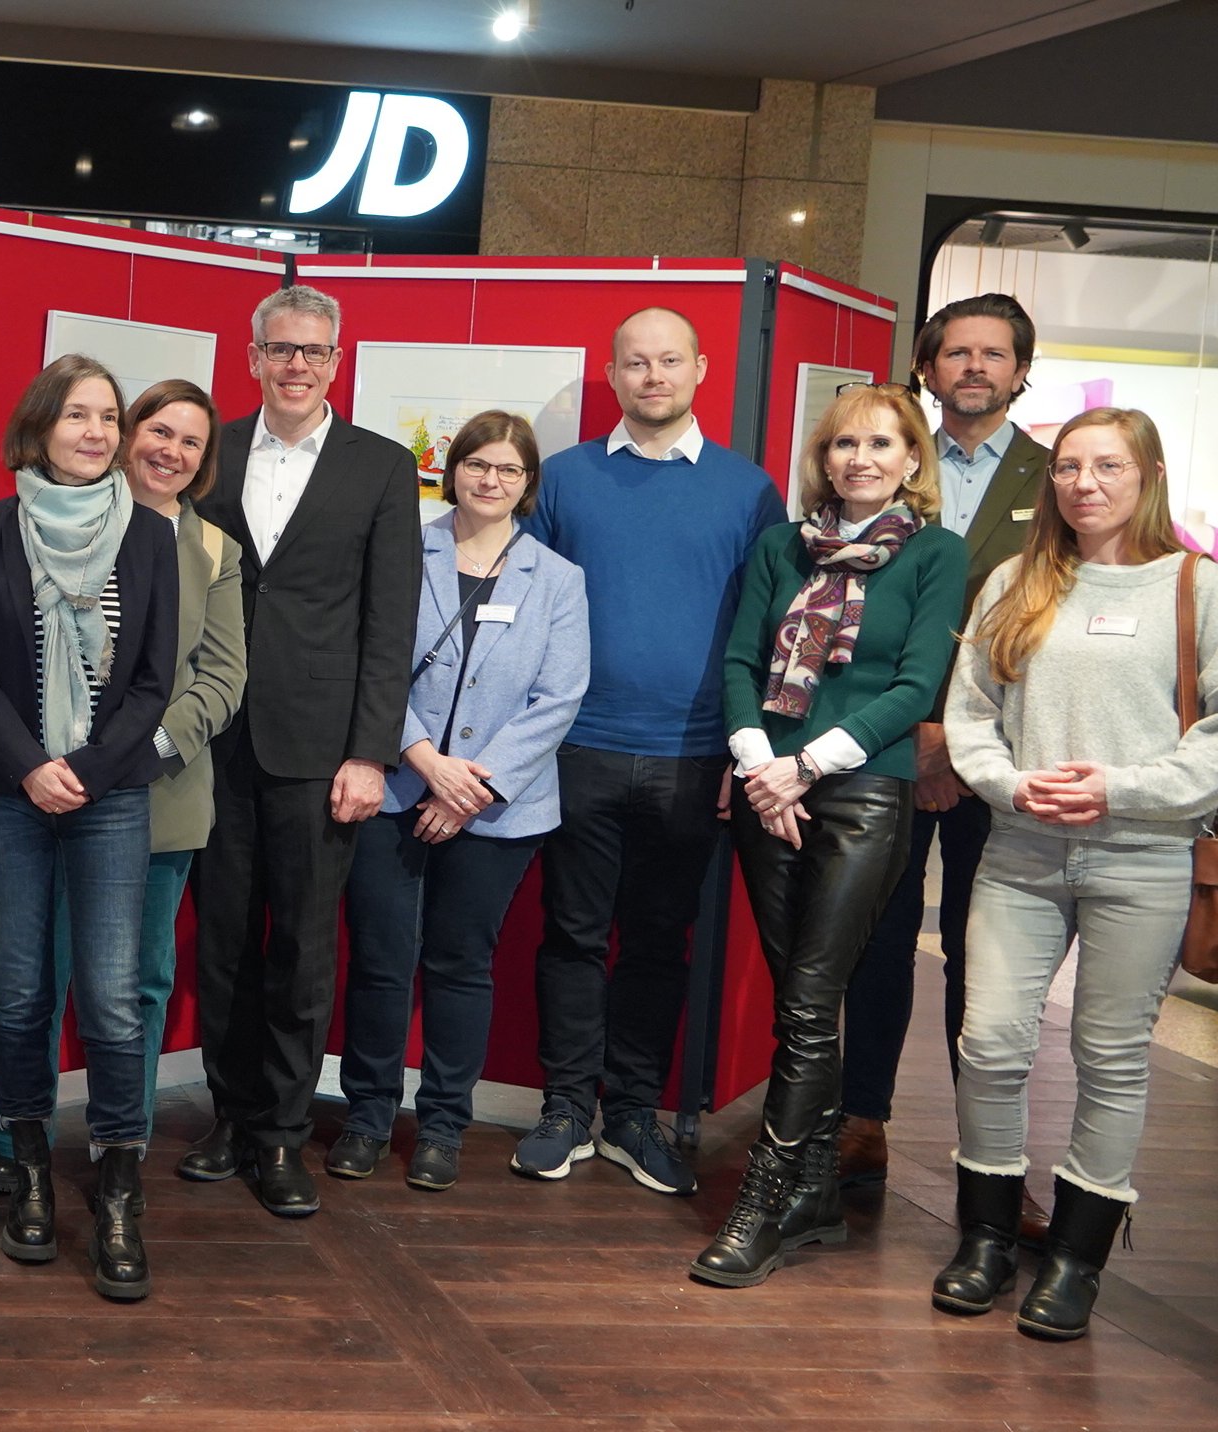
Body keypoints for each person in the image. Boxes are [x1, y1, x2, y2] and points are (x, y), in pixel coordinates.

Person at [936, 407, 1218, 1340]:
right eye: (1070, 467)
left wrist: (1123, 788)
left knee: (1111, 1058)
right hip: (1022, 850)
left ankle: (1078, 1259)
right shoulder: (1019, 578)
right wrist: (1009, 782)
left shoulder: (1200, 588)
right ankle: (987, 1239)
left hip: (1146, 854)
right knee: (992, 1043)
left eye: (1107, 466)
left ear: (1148, 473)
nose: (1085, 483)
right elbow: (971, 711)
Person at [690, 386, 969, 1286]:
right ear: (825, 455)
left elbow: (918, 684)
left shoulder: (934, 554)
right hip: (768, 787)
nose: (860, 457)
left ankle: (763, 1200)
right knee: (795, 1001)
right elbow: (741, 659)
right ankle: (814, 1194)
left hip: (863, 792)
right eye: (845, 442)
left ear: (911, 459)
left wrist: (804, 766)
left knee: (813, 1000)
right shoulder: (782, 545)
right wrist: (756, 762)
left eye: (881, 443)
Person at [513, 306, 784, 1196]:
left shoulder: (749, 492)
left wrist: (743, 762)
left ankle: (634, 1112)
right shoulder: (565, 479)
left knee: (661, 942)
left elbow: (769, 632)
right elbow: (529, 620)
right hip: (576, 745)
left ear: (702, 368)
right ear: (614, 372)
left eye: (670, 361)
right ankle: (565, 1108)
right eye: (636, 362)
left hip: (695, 757)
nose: (653, 376)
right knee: (573, 935)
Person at [0, 380, 248, 1194]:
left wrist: (134, 755)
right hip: (38, 785)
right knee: (32, 976)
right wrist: (51, 766)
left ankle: (112, 1150)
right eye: (157, 432)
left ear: (204, 462)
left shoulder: (209, 549)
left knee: (132, 982)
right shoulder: (19, 528)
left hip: (152, 789)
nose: (170, 451)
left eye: (190, 443)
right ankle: (15, 1141)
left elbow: (218, 677)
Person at [186, 285, 420, 1219]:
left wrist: (371, 754)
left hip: (321, 751)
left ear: (337, 361)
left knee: (303, 949)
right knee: (223, 943)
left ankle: (281, 1134)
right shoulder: (213, 452)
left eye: (314, 352)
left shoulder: (382, 466)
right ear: (252, 357)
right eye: (280, 349)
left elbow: (388, 622)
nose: (296, 365)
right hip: (213, 738)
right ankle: (230, 1116)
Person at [0, 354, 179, 1300]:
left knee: (115, 999)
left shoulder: (153, 539)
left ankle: (120, 1188)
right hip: (12, 794)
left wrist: (81, 771)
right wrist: (30, 767)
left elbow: (154, 681)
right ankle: (33, 1170)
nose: (95, 432)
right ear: (39, 424)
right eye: (77, 415)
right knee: (17, 997)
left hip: (112, 796)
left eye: (108, 417)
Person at [834, 294, 1054, 1199]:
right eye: (955, 352)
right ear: (927, 368)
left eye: (991, 354)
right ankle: (860, 1123)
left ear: (1018, 369)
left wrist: (960, 741)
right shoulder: (889, 460)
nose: (973, 367)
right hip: (886, 741)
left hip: (1003, 751)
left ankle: (990, 1155)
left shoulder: (1057, 474)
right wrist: (917, 729)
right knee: (877, 938)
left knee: (986, 955)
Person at [334, 411, 587, 1193]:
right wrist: (421, 760)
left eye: (509, 470)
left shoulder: (558, 578)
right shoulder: (404, 552)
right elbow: (368, 657)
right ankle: (369, 1115)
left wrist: (471, 784)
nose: (490, 480)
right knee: (381, 963)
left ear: (527, 484)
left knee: (459, 965)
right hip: (395, 790)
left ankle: (443, 1123)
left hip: (498, 809)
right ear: (453, 470)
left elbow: (560, 696)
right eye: (477, 464)